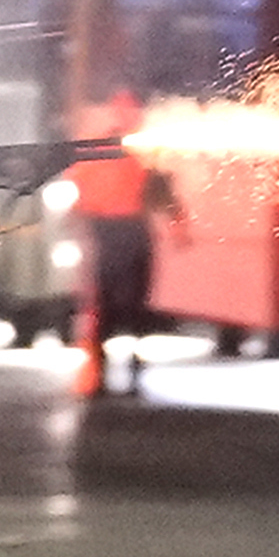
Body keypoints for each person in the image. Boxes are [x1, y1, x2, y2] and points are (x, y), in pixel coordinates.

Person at [66, 93, 181, 396]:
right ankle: (121, 371)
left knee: (108, 302)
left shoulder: (99, 151)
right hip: (127, 230)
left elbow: (79, 189)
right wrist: (178, 222)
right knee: (129, 302)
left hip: (110, 230)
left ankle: (103, 373)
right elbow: (161, 187)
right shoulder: (139, 149)